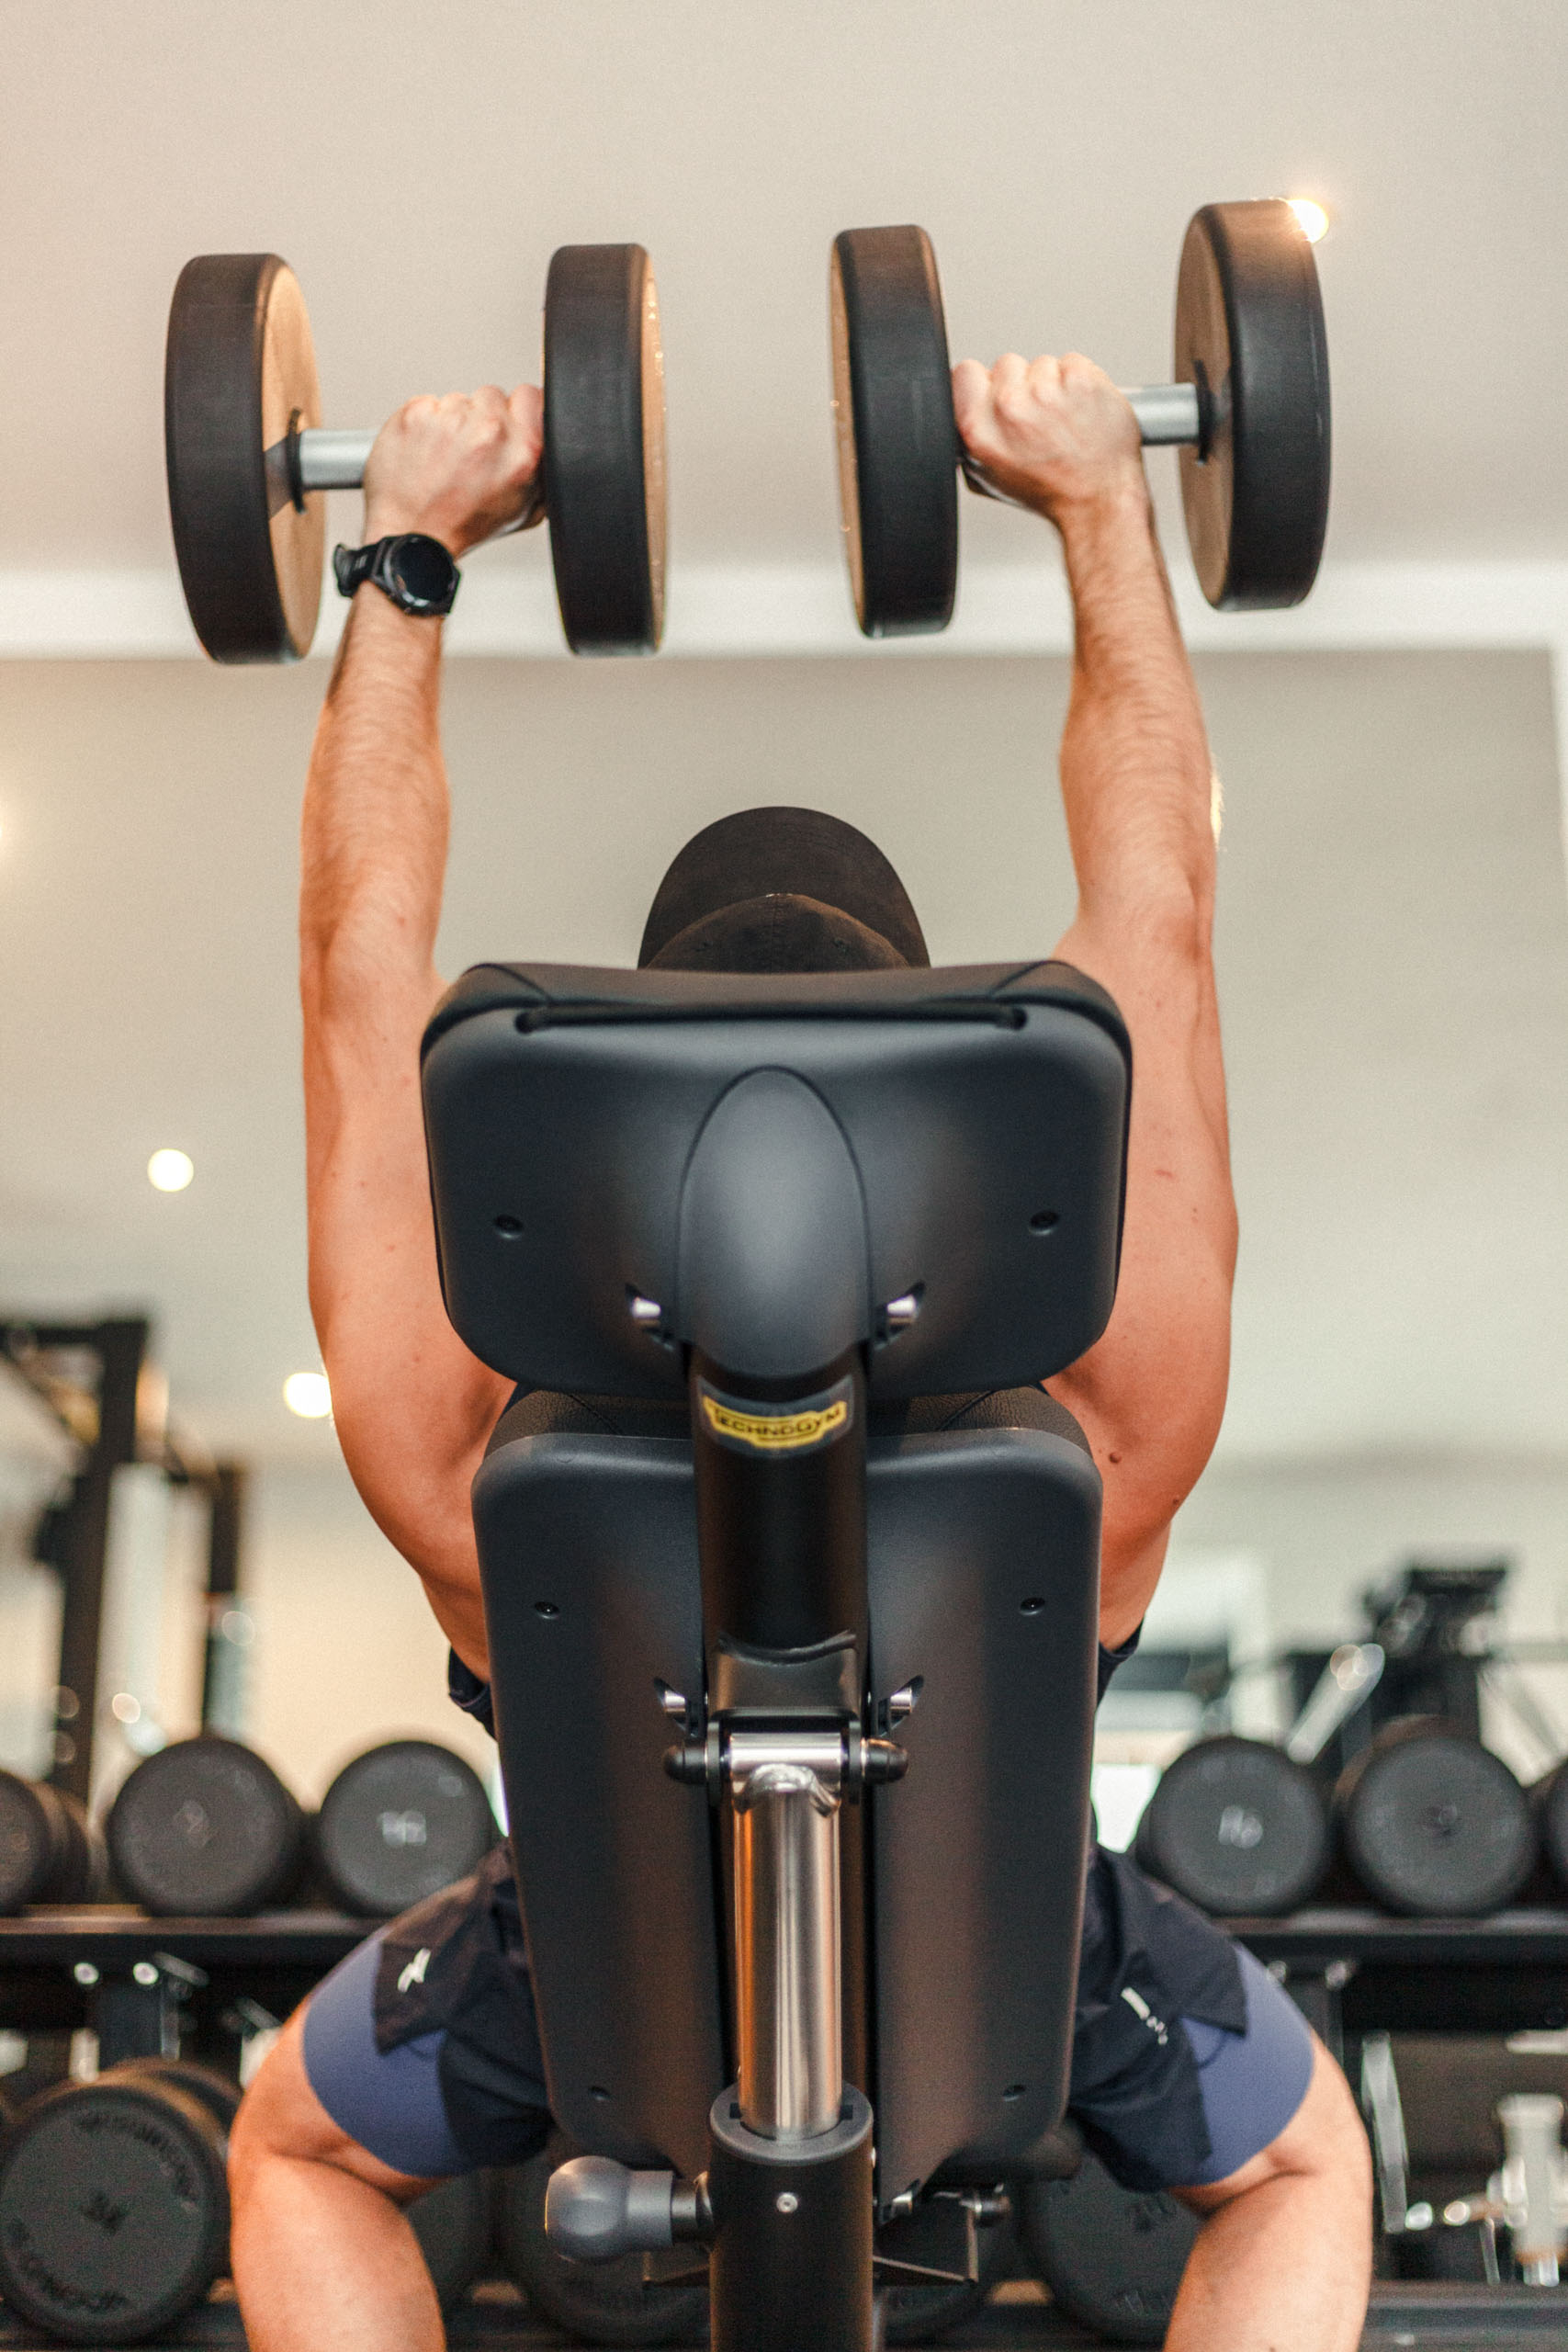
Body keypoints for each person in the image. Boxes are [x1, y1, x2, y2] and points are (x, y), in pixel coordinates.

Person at [229, 354, 1371, 2352]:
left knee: (287, 2146)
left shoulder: (453, 1424)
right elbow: (1161, 909)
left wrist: (405, 549)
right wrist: (1101, 506)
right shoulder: (1113, 1396)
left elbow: (354, 973)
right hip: (1014, 1966)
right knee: (1305, 2164)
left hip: (594, 1978)